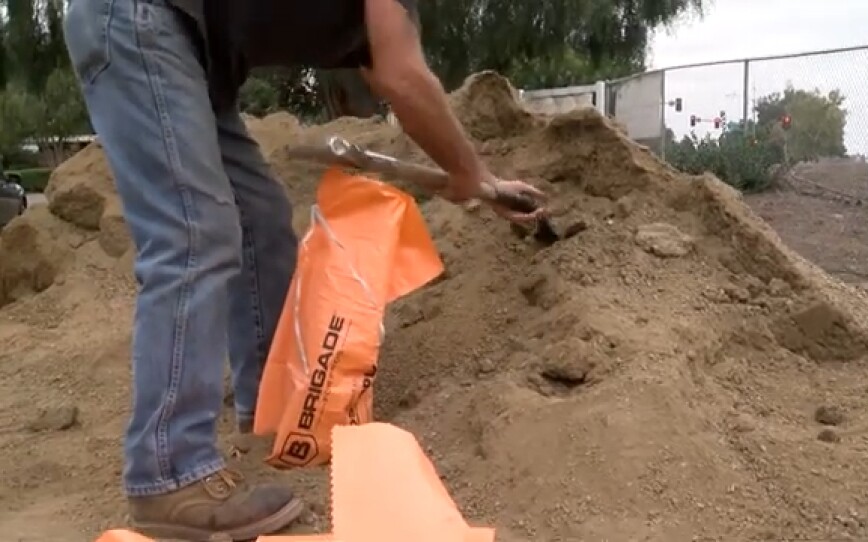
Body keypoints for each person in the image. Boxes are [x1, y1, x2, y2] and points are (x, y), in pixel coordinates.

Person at [62, 0, 547, 540]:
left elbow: (394, 68)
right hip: (138, 19)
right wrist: (472, 173)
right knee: (195, 232)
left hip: (188, 50)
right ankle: (167, 472)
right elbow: (402, 76)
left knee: (261, 221)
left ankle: (276, 409)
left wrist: (469, 173)